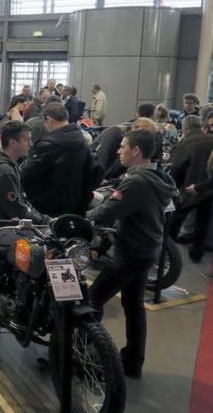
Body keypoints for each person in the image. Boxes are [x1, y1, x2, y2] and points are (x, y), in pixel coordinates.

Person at [87, 130, 175, 379]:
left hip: (130, 252)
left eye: (123, 147)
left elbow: (109, 211)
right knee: (134, 306)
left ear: (136, 151)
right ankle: (133, 363)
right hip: (148, 249)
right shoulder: (157, 176)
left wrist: (79, 219)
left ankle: (86, 357)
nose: (118, 150)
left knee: (92, 300)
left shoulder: (136, 182)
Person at [20, 102, 101, 217]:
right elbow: (93, 173)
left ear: (49, 119)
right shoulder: (81, 140)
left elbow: (27, 174)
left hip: (47, 208)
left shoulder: (48, 144)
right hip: (75, 206)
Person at [0, 121, 48, 231]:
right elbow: (17, 211)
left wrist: (44, 219)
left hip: (3, 224)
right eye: (27, 140)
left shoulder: (6, 164)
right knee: (52, 237)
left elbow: (23, 202)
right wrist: (45, 222)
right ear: (13, 143)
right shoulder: (4, 171)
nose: (31, 144)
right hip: (2, 230)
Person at [166, 115, 213, 262]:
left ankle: (167, 251)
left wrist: (178, 186)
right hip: (209, 189)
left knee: (175, 219)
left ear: (185, 128)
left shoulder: (186, 142)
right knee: (202, 222)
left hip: (189, 188)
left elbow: (177, 167)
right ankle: (196, 253)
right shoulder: (211, 139)